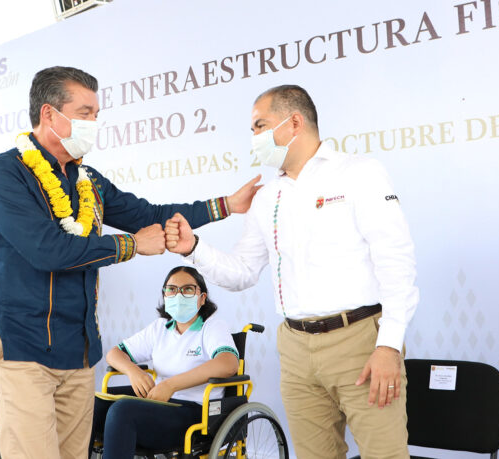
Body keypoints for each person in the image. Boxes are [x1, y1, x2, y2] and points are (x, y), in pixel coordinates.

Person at [0, 66, 259, 459]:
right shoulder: (3, 175)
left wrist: (225, 205)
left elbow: (151, 214)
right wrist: (130, 246)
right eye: (85, 112)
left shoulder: (87, 179)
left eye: (96, 114)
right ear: (49, 115)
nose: (94, 123)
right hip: (22, 347)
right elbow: (48, 250)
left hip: (77, 350)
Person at [165, 85, 419, 459]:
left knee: (385, 455)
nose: (254, 137)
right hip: (296, 347)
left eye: (259, 125)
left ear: (294, 122)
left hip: (360, 342)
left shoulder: (359, 172)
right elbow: (243, 272)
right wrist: (194, 248)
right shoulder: (268, 197)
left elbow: (396, 262)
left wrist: (388, 346)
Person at [91, 266, 239, 458]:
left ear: (202, 298)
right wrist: (133, 372)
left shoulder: (212, 326)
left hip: (196, 411)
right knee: (93, 403)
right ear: (165, 296)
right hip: (159, 402)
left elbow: (228, 364)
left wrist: (171, 385)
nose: (178, 294)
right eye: (171, 289)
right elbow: (114, 353)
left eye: (187, 289)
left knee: (122, 410)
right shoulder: (160, 328)